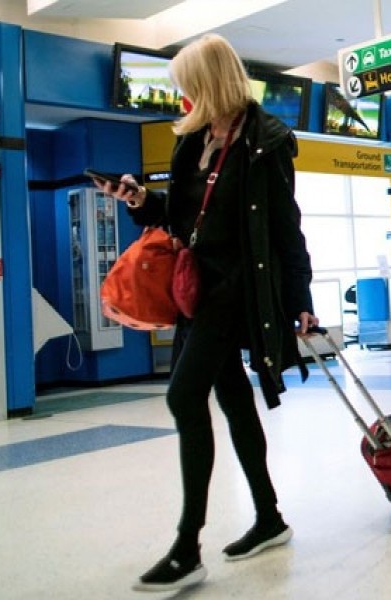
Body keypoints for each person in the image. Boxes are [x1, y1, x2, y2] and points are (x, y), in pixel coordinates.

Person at [97, 33, 318, 592]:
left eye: (187, 87)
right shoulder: (191, 141)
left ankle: (187, 545)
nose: (182, 99)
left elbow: (286, 229)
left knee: (181, 396)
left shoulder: (266, 142)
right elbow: (178, 217)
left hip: (237, 289)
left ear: (209, 81)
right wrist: (140, 201)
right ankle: (268, 517)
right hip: (194, 286)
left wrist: (302, 301)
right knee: (233, 402)